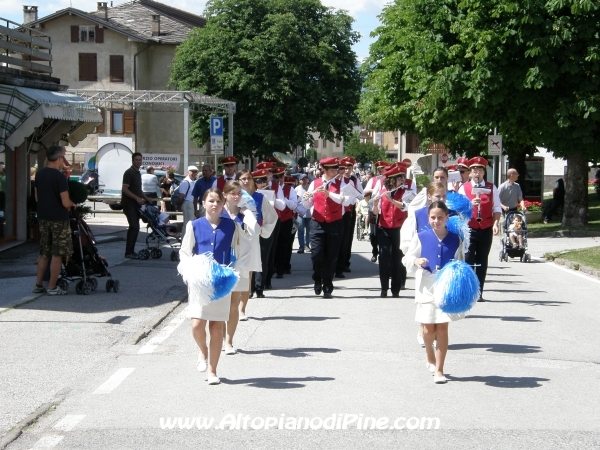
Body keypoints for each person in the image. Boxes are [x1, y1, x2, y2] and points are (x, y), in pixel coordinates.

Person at [178, 188, 252, 385]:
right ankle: (203, 351)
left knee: (217, 326)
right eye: (210, 201)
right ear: (203, 203)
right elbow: (185, 252)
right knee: (196, 324)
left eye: (218, 201)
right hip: (200, 281)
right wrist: (191, 270)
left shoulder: (232, 226)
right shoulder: (193, 225)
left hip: (221, 281)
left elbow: (244, 248)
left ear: (222, 204)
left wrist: (235, 270)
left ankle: (212, 371)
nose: (214, 204)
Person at [402, 201, 465, 384]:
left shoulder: (456, 239)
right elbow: (408, 256)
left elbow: (460, 262)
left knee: (443, 328)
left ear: (447, 218)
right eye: (432, 217)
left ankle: (439, 369)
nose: (436, 221)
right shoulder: (421, 236)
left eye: (440, 217)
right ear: (428, 218)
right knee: (429, 330)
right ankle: (429, 352)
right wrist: (415, 261)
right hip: (426, 286)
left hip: (446, 287)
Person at [221, 181, 259, 354]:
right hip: (219, 262)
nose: (236, 196)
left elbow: (255, 233)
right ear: (225, 194)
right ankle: (220, 337)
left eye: (239, 193)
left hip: (239, 262)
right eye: (232, 193)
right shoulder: (218, 212)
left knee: (233, 304)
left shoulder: (245, 214)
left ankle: (229, 341)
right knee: (220, 303)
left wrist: (250, 216)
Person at [301, 157, 348, 298]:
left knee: (332, 256)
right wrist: (306, 198)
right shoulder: (314, 183)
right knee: (316, 254)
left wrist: (328, 193)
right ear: (325, 171)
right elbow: (307, 206)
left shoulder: (342, 184)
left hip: (335, 223)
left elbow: (342, 200)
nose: (336, 172)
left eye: (336, 170)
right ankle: (317, 278)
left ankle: (328, 285)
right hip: (317, 222)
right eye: (333, 170)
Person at [32, 146, 75, 295]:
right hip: (58, 219)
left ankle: (38, 285)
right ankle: (51, 286)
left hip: (43, 217)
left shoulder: (39, 174)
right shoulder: (59, 177)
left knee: (44, 252)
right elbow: (65, 202)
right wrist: (72, 204)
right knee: (57, 253)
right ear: (58, 159)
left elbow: (37, 198)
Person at [458, 157, 502, 302]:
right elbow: (459, 210)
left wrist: (495, 224)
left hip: (486, 228)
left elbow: (496, 208)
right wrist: (470, 204)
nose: (477, 173)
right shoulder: (464, 188)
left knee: (482, 260)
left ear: (484, 172)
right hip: (470, 228)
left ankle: (479, 292)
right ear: (470, 173)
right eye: (474, 170)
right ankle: (469, 292)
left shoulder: (491, 187)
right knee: (469, 260)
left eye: (480, 170)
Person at [373, 163, 410, 297]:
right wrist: (376, 204)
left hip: (400, 228)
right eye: (399, 178)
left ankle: (396, 288)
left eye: (402, 177)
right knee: (384, 257)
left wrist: (392, 200)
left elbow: (406, 207)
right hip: (384, 227)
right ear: (392, 180)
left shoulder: (405, 192)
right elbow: (376, 212)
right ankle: (384, 288)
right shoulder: (382, 192)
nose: (402, 180)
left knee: (397, 258)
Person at [249, 169, 278, 299]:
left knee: (262, 259)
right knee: (249, 260)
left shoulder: (263, 197)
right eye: (259, 181)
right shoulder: (243, 197)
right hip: (248, 234)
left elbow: (272, 216)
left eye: (264, 181)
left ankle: (259, 287)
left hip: (261, 231)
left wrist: (263, 229)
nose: (262, 184)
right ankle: (249, 288)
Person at [335, 157, 364, 277]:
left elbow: (361, 196)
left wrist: (354, 195)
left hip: (348, 212)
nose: (346, 171)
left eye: (349, 168)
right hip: (336, 212)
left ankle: (344, 262)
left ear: (352, 168)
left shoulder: (354, 181)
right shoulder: (335, 179)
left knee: (346, 239)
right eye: (344, 168)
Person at [122, 152, 153, 259]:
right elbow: (125, 189)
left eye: (140, 160)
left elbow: (138, 190)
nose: (138, 162)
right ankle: (129, 252)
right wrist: (136, 198)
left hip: (136, 205)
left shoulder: (138, 173)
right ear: (133, 161)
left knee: (135, 227)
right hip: (128, 204)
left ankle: (130, 251)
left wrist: (145, 198)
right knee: (134, 227)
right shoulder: (129, 173)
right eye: (136, 160)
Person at [272, 168, 298, 279]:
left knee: (284, 245)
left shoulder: (289, 189)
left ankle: (280, 269)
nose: (279, 179)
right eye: (276, 177)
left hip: (286, 220)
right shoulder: (270, 188)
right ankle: (272, 267)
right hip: (273, 220)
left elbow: (294, 205)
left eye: (281, 176)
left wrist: (284, 200)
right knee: (274, 245)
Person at [364, 161, 390, 262]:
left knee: (382, 233)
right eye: (378, 169)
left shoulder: (390, 179)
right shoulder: (373, 180)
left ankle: (383, 253)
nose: (380, 170)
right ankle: (375, 251)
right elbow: (365, 191)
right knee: (373, 234)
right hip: (374, 209)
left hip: (385, 210)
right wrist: (375, 189)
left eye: (382, 168)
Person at [178, 166, 198, 238]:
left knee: (191, 224)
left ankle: (187, 241)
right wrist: (180, 206)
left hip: (191, 204)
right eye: (192, 171)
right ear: (188, 172)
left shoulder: (192, 181)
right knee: (187, 224)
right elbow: (181, 196)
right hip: (187, 203)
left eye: (195, 171)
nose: (194, 173)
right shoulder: (185, 182)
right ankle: (184, 242)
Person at [295, 174, 311, 253]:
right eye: (303, 179)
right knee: (300, 230)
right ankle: (301, 246)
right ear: (300, 180)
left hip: (310, 213)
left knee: (309, 230)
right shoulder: (297, 189)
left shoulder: (310, 188)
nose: (304, 181)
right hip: (300, 214)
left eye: (306, 179)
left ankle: (307, 245)